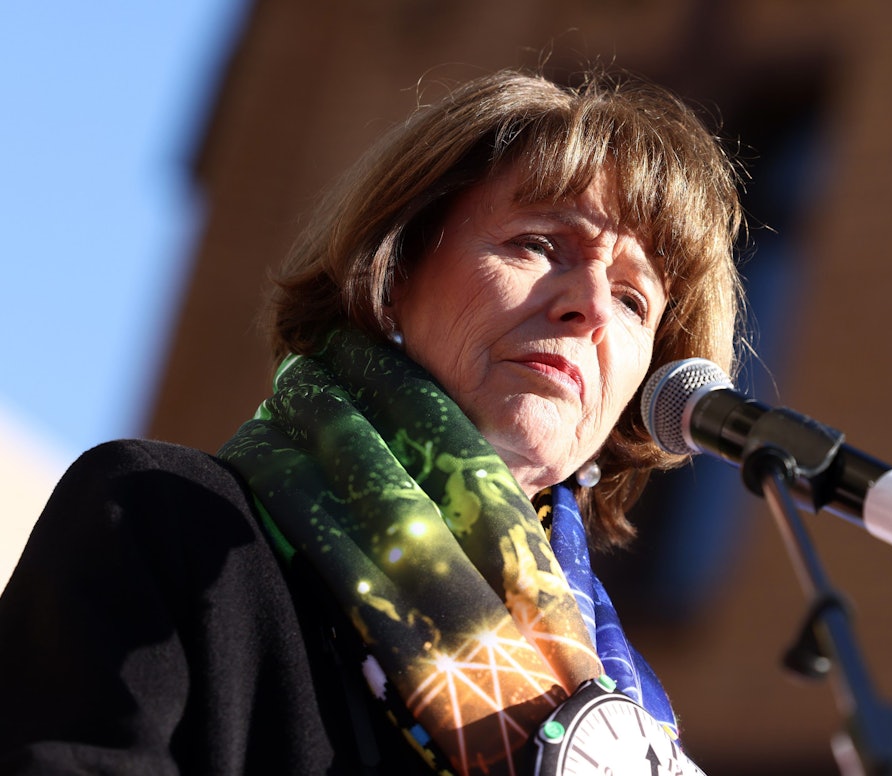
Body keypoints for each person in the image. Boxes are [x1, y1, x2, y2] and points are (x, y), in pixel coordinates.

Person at [0, 68, 743, 775]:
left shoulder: (630, 716)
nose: (590, 308)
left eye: (634, 300)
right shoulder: (166, 519)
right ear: (392, 272)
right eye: (539, 245)